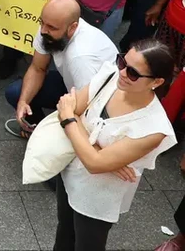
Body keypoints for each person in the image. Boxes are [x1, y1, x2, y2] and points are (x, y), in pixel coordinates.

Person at [53, 41, 176, 251]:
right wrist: (101, 153)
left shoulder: (154, 128)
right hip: (69, 169)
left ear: (156, 82)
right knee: (64, 233)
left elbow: (91, 160)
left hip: (98, 195)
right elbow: (69, 109)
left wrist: (70, 122)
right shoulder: (110, 75)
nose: (122, 72)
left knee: (88, 245)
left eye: (133, 73)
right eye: (122, 61)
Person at [3, 0, 117, 138]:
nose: (43, 31)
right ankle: (36, 128)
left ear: (72, 27)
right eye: (42, 22)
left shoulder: (81, 57)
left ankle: (49, 139)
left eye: (51, 27)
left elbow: (88, 108)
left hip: (100, 102)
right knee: (16, 93)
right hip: (74, 85)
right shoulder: (49, 28)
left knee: (70, 132)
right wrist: (23, 102)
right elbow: (37, 68)